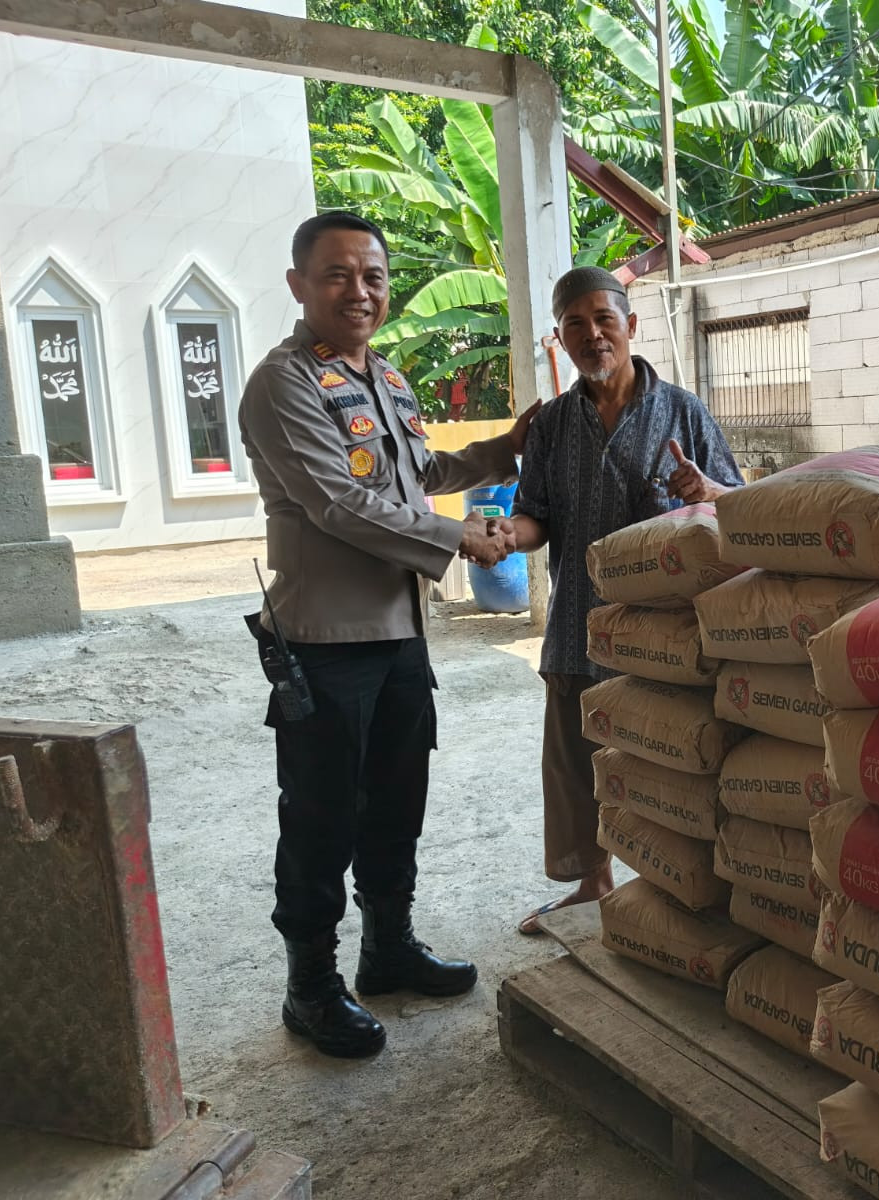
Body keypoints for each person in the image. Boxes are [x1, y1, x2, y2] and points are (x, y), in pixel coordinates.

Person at [238, 210, 537, 1058]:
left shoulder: (390, 382)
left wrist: (501, 451)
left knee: (398, 802)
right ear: (300, 285)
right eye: (338, 274)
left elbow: (419, 474)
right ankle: (310, 986)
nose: (359, 291)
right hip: (326, 643)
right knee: (322, 817)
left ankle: (388, 950)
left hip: (400, 635)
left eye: (372, 275)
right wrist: (459, 537)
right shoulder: (284, 383)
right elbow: (337, 501)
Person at [511, 267, 744, 935]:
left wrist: (706, 491)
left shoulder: (682, 410)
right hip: (577, 627)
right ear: (559, 338)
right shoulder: (552, 425)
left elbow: (736, 502)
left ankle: (671, 890)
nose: (591, 335)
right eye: (575, 325)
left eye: (603, 320)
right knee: (579, 764)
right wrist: (505, 534)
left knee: (667, 762)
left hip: (664, 637)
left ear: (630, 327)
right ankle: (594, 882)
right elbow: (535, 518)